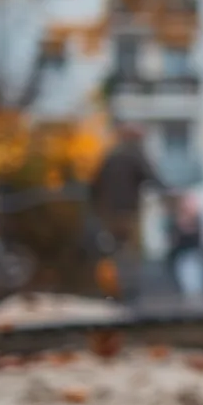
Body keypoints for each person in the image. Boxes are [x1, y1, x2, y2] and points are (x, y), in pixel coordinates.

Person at [87, 124, 161, 302]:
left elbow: (93, 185)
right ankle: (129, 292)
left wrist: (97, 210)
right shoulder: (134, 154)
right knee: (131, 253)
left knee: (112, 253)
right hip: (128, 212)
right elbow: (152, 177)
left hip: (108, 213)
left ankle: (111, 290)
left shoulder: (110, 157)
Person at [168, 193, 203, 300]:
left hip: (194, 254)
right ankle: (190, 298)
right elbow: (175, 238)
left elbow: (197, 236)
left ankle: (196, 298)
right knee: (186, 280)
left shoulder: (197, 220)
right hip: (182, 255)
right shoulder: (176, 220)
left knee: (195, 279)